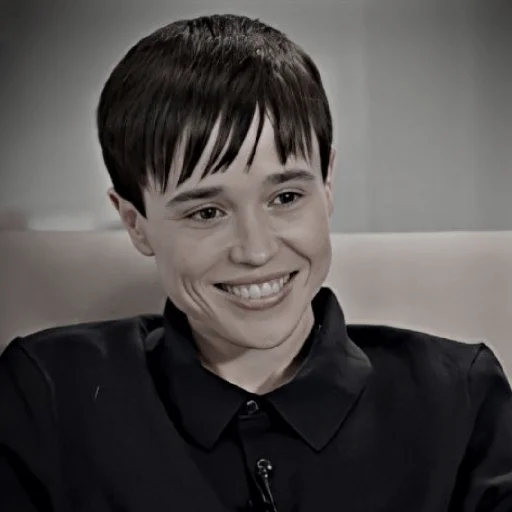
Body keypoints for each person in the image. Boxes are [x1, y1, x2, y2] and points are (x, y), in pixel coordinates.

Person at [0, 13, 511, 512]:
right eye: (206, 212)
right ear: (135, 223)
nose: (257, 250)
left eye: (286, 197)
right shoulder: (48, 395)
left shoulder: (460, 398)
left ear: (327, 184)